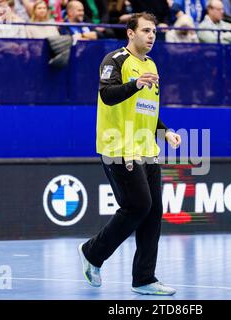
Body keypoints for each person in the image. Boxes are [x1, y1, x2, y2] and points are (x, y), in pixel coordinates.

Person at [78, 12, 182, 296]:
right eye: (146, 31)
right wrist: (135, 84)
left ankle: (144, 279)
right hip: (119, 148)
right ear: (130, 33)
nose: (151, 36)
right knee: (138, 206)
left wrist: (165, 131)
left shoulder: (151, 64)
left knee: (153, 213)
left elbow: (147, 110)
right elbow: (107, 95)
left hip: (147, 149)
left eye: (155, 32)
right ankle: (92, 253)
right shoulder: (115, 61)